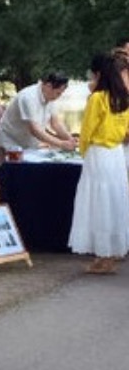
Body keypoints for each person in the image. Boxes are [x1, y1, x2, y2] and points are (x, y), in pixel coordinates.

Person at [68, 53, 129, 274]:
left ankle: (102, 256)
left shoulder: (97, 98)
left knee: (98, 203)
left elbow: (87, 130)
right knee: (114, 202)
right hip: (116, 153)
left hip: (99, 153)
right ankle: (111, 254)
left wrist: (83, 150)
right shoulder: (123, 98)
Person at [0, 72, 76, 164]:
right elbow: (34, 129)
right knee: (10, 173)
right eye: (58, 93)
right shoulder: (28, 97)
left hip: (28, 145)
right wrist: (61, 144)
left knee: (27, 172)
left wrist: (69, 139)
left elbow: (55, 123)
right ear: (48, 86)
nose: (58, 97)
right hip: (9, 141)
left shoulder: (50, 96)